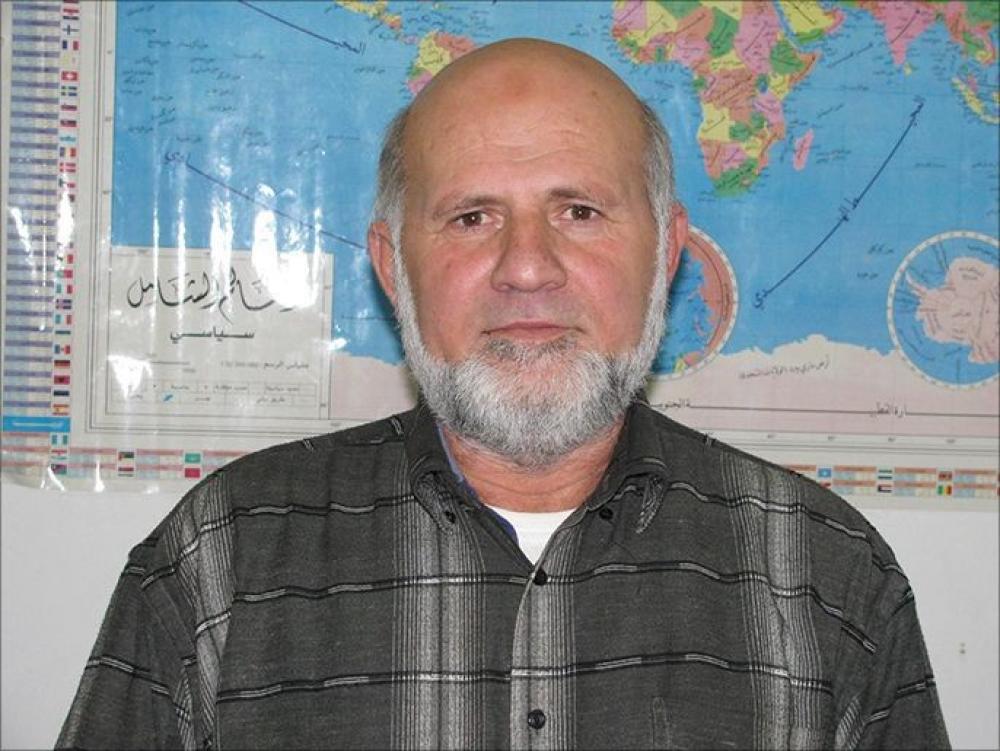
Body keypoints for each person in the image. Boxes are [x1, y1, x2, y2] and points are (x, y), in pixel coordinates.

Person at [58, 38, 949, 749]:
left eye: (579, 212)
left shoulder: (828, 575)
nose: (526, 266)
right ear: (393, 268)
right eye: (472, 216)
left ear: (667, 253)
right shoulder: (220, 557)